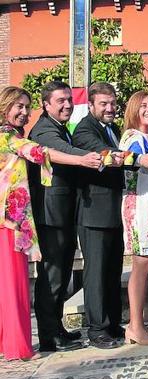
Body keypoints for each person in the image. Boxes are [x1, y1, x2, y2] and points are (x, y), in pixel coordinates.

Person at [0, 86, 100, 360]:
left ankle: (49, 330)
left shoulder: (15, 136)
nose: (23, 112)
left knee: (30, 281)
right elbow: (41, 152)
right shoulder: (8, 137)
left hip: (19, 222)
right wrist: (82, 159)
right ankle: (46, 335)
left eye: (25, 107)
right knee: (43, 279)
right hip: (16, 222)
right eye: (17, 107)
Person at [72, 82, 148, 349]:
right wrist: (139, 160)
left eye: (112, 104)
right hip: (93, 212)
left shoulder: (109, 129)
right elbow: (107, 155)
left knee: (111, 271)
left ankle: (110, 323)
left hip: (113, 211)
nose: (109, 108)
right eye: (103, 104)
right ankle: (96, 329)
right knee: (96, 271)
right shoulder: (86, 129)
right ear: (91, 105)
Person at [27, 81, 90, 352]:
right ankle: (49, 336)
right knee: (52, 275)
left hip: (63, 213)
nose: (67, 105)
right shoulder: (43, 130)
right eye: (60, 101)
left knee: (62, 272)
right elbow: (63, 153)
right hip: (50, 215)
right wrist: (92, 156)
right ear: (46, 105)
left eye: (68, 100)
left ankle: (58, 328)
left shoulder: (60, 128)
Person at [118, 91, 148, 344]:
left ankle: (140, 324)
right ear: (134, 109)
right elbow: (128, 163)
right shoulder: (132, 137)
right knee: (141, 263)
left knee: (147, 263)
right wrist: (145, 164)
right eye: (143, 105)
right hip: (139, 205)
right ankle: (135, 326)